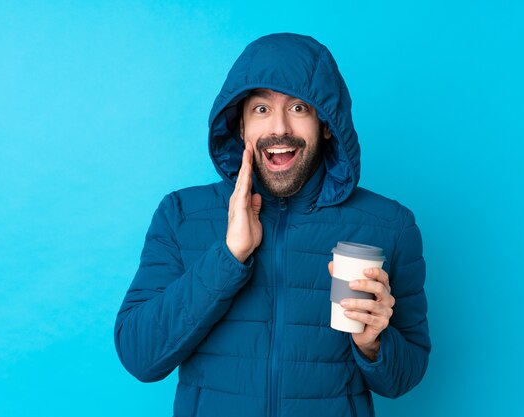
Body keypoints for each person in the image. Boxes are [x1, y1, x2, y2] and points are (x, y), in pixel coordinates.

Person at [114, 33, 430, 417]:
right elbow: (140, 356)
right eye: (261, 109)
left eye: (299, 107)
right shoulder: (182, 214)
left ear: (326, 124)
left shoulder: (389, 226)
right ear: (241, 126)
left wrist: (373, 345)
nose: (279, 128)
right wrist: (229, 257)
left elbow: (406, 375)